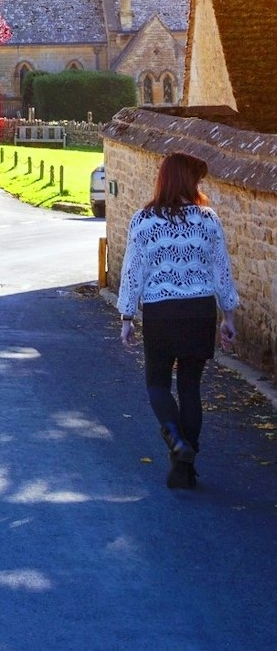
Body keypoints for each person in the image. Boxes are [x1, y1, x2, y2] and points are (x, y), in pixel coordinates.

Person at [117, 151, 239, 489]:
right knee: (190, 388)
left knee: (157, 384)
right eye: (197, 180)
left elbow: (132, 272)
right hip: (200, 311)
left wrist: (127, 316)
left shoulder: (144, 220)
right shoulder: (208, 219)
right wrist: (228, 316)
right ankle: (185, 468)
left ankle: (176, 440)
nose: (200, 185)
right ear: (188, 181)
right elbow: (222, 272)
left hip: (161, 312)